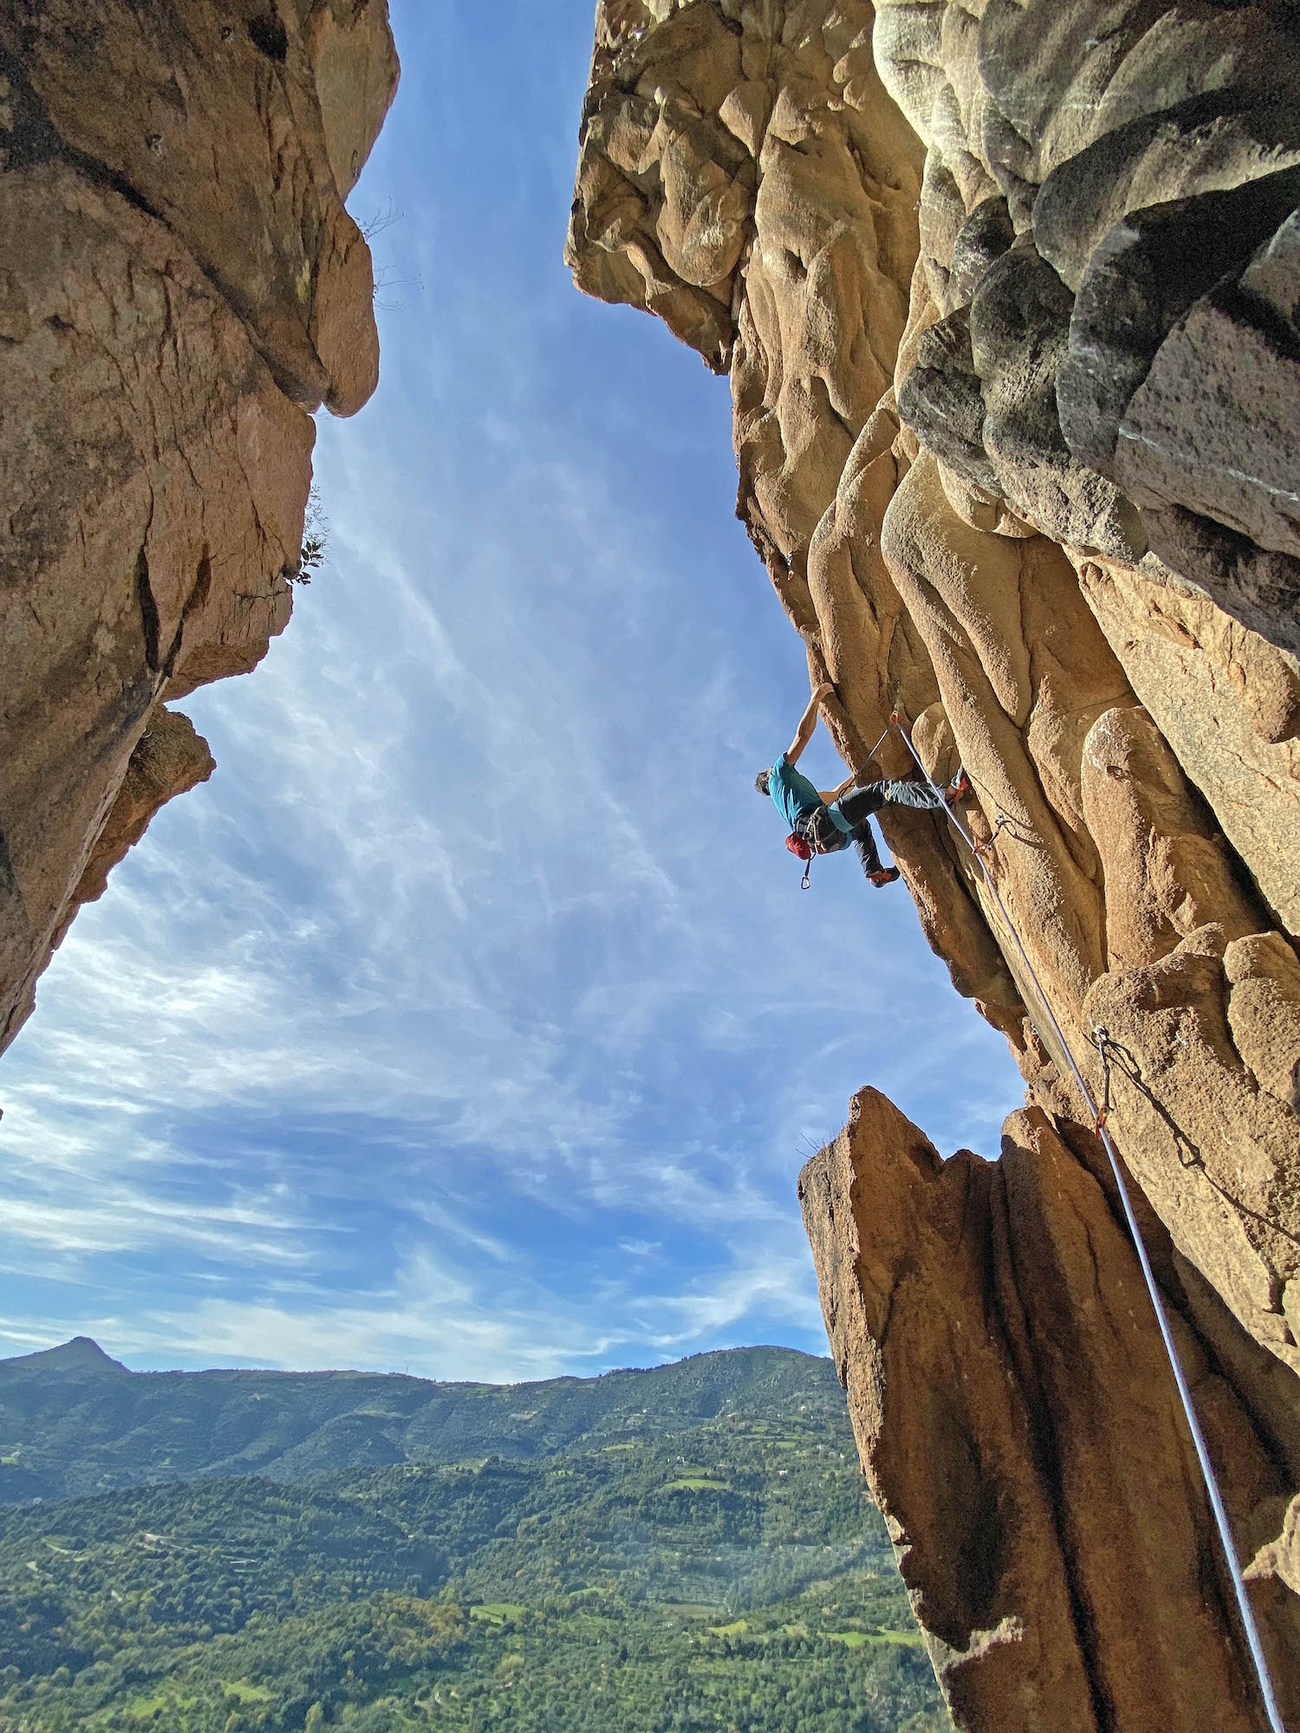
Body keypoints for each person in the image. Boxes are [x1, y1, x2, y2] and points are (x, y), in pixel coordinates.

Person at [755, 682, 969, 886]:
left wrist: (858, 774)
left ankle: (874, 872)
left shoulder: (790, 803)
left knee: (861, 827)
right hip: (826, 823)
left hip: (827, 839)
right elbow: (802, 736)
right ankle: (945, 795)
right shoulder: (779, 774)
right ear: (767, 776)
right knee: (884, 791)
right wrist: (816, 698)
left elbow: (837, 794)